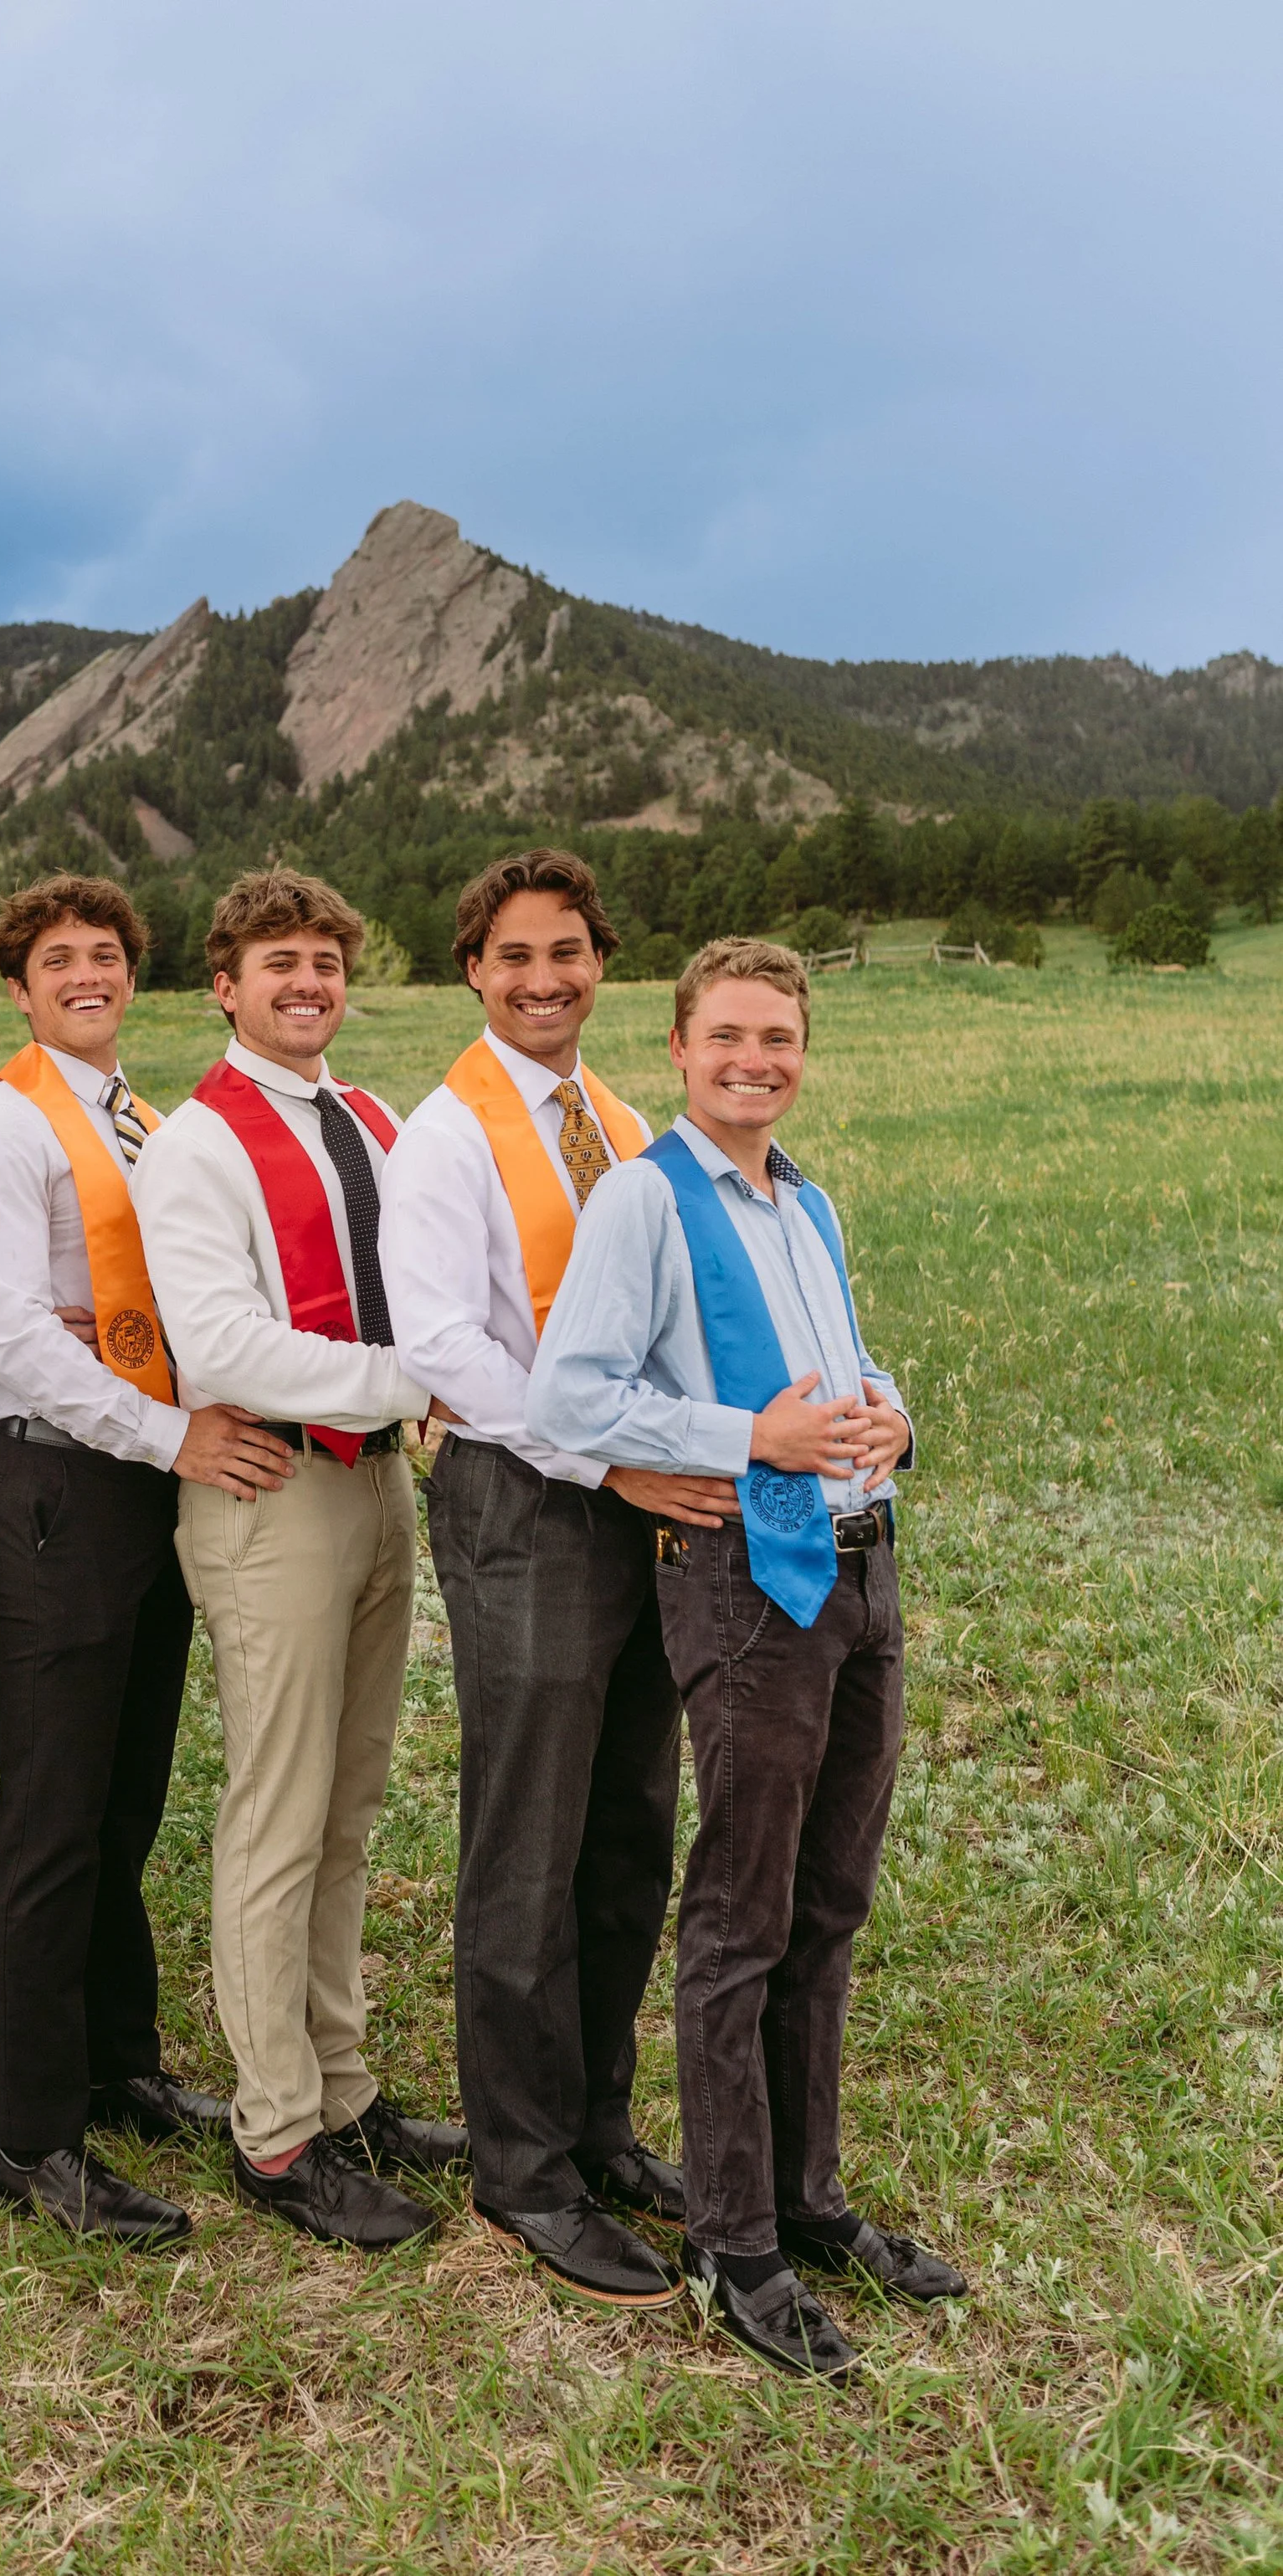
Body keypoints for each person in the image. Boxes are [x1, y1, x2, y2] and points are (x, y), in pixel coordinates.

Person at [527, 936, 966, 2380]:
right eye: (727, 1036)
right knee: (742, 1913)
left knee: (831, 1900)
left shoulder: (807, 1197)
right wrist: (745, 1440)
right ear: (679, 1048)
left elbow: (839, 1357)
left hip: (863, 1569)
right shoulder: (645, 1201)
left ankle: (808, 2197)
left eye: (777, 1036)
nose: (754, 1060)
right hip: (747, 1586)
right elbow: (572, 1393)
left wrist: (886, 1407)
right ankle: (734, 2240)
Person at [382, 849, 742, 2309]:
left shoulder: (621, 1117)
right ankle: (520, 2164)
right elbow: (444, 1350)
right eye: (517, 954)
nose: (546, 978)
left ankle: (598, 2120)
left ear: (604, 965)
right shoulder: (444, 1136)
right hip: (528, 1500)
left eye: (572, 951)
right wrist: (610, 1459)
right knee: (527, 1834)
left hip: (632, 1502)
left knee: (625, 1820)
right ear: (473, 967)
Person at [0, 874, 286, 2249]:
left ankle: (117, 2061)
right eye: (55, 960)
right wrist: (166, 1428)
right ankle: (30, 2132)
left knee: (127, 1792)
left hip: (143, 1479)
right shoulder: (1, 1126)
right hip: (59, 1482)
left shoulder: (140, 1119)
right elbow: (14, 1335)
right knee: (53, 1811)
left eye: (105, 954)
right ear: (14, 991)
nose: (86, 973)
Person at [132, 867, 467, 2254]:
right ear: (226, 983)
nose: (307, 984)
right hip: (275, 1496)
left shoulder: (376, 1122)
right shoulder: (197, 1144)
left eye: (327, 962)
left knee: (350, 1801)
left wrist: (430, 1385)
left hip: (380, 1485)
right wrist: (415, 1372)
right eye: (279, 963)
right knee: (278, 1806)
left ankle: (342, 2078)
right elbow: (222, 1347)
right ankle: (274, 2130)